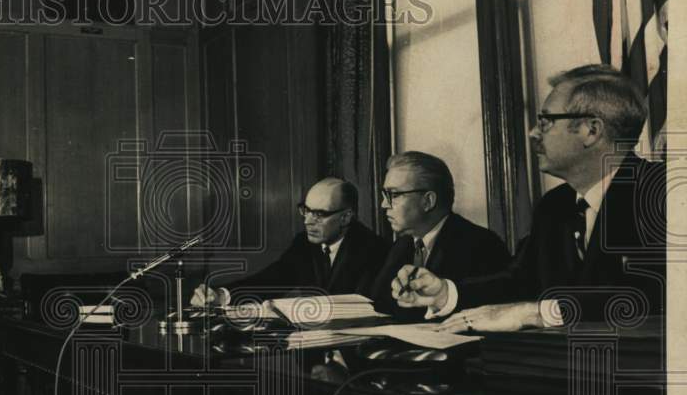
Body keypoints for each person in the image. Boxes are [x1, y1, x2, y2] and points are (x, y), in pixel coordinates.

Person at [392, 65, 665, 332]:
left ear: (591, 131)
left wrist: (536, 313)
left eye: (546, 121)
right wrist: (445, 293)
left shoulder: (663, 193)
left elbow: (657, 296)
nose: (534, 132)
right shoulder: (554, 205)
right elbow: (519, 280)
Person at [191, 177, 390, 308]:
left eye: (319, 214)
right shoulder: (305, 244)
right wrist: (221, 295)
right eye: (306, 210)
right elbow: (271, 279)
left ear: (346, 217)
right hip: (315, 354)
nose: (307, 220)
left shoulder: (374, 250)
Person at [368, 151, 510, 318]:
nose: (384, 204)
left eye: (394, 195)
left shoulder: (482, 245)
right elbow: (379, 304)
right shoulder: (401, 246)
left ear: (428, 201)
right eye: (385, 195)